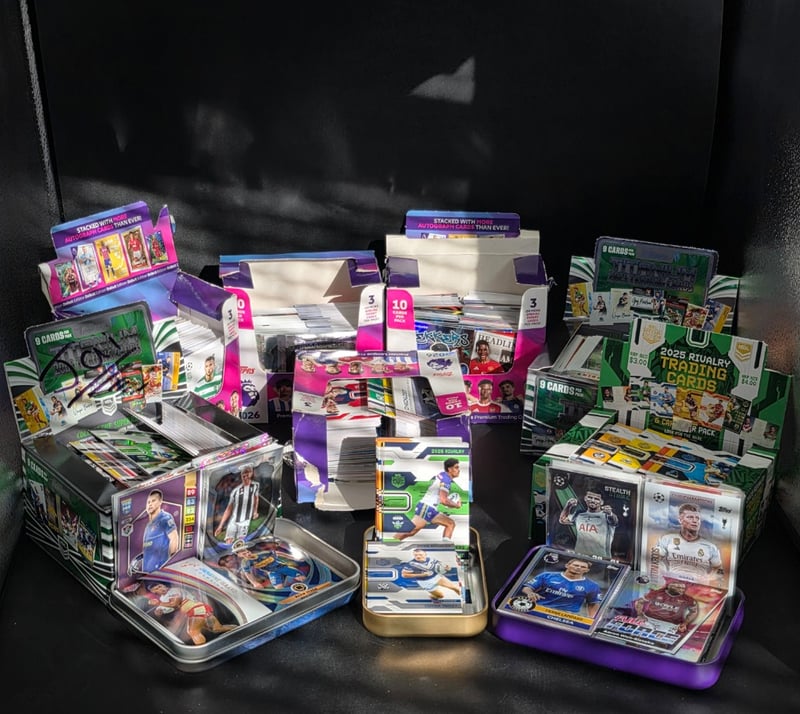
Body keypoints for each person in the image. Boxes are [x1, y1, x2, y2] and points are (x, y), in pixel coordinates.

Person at [146, 582, 236, 645]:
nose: (160, 589)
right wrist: (159, 611)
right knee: (217, 628)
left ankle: (202, 653)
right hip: (197, 609)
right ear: (154, 592)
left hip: (195, 609)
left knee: (193, 632)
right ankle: (238, 628)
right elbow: (168, 608)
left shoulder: (174, 590)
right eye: (156, 589)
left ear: (164, 585)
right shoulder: (163, 598)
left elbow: (174, 604)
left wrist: (158, 604)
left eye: (160, 586)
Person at [654, 503, 723, 585]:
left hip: (698, 587)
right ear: (680, 520)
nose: (695, 521)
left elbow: (719, 569)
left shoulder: (710, 547)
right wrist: (664, 572)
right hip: (673, 584)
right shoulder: (667, 539)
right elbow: (655, 559)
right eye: (690, 517)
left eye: (697, 518)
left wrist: (709, 578)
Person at [397, 458, 462, 541]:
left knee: (450, 523)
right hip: (427, 508)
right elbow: (444, 500)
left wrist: (451, 503)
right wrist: (456, 505)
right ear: (449, 469)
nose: (459, 470)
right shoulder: (446, 480)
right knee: (409, 531)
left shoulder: (443, 475)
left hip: (430, 508)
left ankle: (445, 547)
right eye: (456, 467)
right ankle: (389, 542)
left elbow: (442, 498)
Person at [520, 557, 601, 616]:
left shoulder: (592, 585)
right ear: (567, 565)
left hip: (568, 616)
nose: (578, 568)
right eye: (576, 565)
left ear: (587, 570)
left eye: (583, 567)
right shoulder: (547, 575)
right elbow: (527, 588)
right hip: (540, 609)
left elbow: (593, 604)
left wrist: (592, 619)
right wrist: (530, 593)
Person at [558, 484, 619, 559]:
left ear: (602, 502)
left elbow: (614, 521)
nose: (592, 500)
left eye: (596, 499)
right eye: (590, 497)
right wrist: (568, 505)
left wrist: (610, 513)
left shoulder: (606, 515)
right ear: (585, 498)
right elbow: (562, 520)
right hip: (579, 556)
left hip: (601, 559)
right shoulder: (579, 514)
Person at [214, 462, 260, 543]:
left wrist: (255, 511)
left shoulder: (256, 485)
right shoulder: (235, 491)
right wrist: (220, 526)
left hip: (245, 522)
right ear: (241, 475)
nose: (245, 475)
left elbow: (256, 498)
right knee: (229, 541)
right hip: (234, 521)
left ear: (251, 473)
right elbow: (229, 509)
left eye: (247, 472)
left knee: (240, 542)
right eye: (243, 473)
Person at [634, 580, 699, 633]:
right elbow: (640, 601)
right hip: (649, 620)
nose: (682, 590)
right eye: (678, 587)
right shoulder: (656, 593)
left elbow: (694, 611)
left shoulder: (688, 599)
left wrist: (685, 623)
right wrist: (640, 615)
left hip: (671, 624)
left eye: (683, 588)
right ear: (669, 586)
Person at [141, 489, 180, 572]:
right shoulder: (148, 527)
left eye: (153, 501)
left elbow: (174, 538)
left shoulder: (165, 518)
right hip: (147, 572)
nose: (150, 504)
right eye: (148, 502)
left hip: (160, 572)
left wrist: (171, 564)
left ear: (160, 502)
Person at [234, 546, 307, 590]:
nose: (247, 554)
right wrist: (255, 583)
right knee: (278, 588)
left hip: (282, 567)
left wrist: (293, 558)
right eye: (244, 554)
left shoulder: (262, 553)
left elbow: (278, 553)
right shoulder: (246, 562)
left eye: (247, 552)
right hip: (272, 572)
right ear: (240, 556)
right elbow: (247, 573)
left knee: (301, 578)